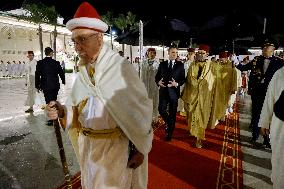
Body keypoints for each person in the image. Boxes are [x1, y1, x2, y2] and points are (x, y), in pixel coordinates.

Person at [46, 2, 153, 189]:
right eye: (74, 41)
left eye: (82, 40)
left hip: (114, 151)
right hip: (87, 148)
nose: (77, 47)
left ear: (99, 38)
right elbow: (77, 109)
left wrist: (139, 149)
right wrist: (62, 111)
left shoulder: (120, 68)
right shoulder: (84, 72)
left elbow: (139, 111)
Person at [236, 42, 284, 148]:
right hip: (257, 92)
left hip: (271, 93)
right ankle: (255, 135)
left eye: (267, 48)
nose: (264, 49)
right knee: (256, 114)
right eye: (264, 47)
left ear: (272, 50)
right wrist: (236, 63)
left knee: (269, 116)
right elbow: (243, 68)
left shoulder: (279, 62)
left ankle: (267, 139)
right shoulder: (256, 60)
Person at [181, 44, 216, 148]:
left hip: (204, 97)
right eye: (199, 53)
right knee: (191, 116)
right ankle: (193, 131)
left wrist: (203, 85)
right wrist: (198, 84)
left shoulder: (211, 66)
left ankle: (199, 139)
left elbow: (213, 81)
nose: (200, 55)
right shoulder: (192, 65)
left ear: (207, 54)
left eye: (203, 53)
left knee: (201, 117)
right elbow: (190, 79)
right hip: (192, 96)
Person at [258, 67, 284, 189]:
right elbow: (270, 99)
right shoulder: (280, 74)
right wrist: (264, 121)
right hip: (281, 129)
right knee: (280, 164)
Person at [155, 46, 185, 141]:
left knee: (172, 113)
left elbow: (183, 79)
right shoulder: (162, 64)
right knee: (161, 109)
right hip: (163, 91)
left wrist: (176, 84)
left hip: (174, 93)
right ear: (168, 53)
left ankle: (169, 134)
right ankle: (169, 123)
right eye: (172, 52)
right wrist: (158, 82)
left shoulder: (180, 65)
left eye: (176, 52)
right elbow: (157, 77)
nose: (174, 54)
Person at [35, 47, 65, 126]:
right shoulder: (56, 62)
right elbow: (61, 73)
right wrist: (63, 81)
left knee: (48, 102)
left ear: (45, 53)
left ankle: (52, 119)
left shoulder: (40, 63)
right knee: (53, 100)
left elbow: (37, 75)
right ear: (51, 53)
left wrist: (37, 85)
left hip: (45, 85)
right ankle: (54, 117)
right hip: (55, 85)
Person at [141, 48, 159, 122]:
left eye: (153, 53)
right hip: (145, 85)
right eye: (150, 52)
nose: (152, 54)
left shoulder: (157, 64)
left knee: (154, 102)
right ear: (147, 53)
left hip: (154, 86)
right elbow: (140, 74)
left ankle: (154, 117)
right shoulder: (143, 63)